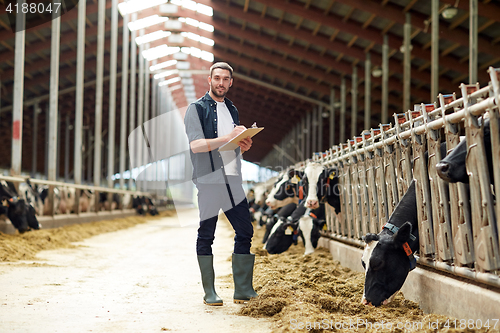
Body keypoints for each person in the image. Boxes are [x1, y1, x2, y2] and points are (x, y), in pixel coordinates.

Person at [183, 62, 258, 306]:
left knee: (245, 231)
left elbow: (232, 145)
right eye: (217, 78)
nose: (221, 83)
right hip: (209, 181)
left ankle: (243, 290)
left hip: (233, 179)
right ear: (209, 80)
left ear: (231, 82)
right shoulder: (196, 109)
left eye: (226, 79)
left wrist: (243, 143)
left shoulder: (232, 110)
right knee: (207, 235)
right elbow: (195, 145)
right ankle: (210, 292)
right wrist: (227, 138)